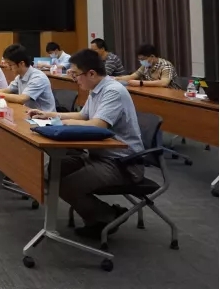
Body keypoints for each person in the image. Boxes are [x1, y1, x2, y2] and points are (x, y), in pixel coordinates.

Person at [27, 49, 144, 238]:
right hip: (97, 155)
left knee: (64, 185)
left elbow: (98, 125)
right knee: (52, 172)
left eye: (76, 74)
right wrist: (50, 115)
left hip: (122, 162)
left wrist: (62, 124)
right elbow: (83, 116)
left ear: (91, 73)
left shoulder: (113, 91)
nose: (74, 79)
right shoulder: (96, 89)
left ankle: (108, 215)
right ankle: (99, 215)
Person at [0, 44, 56, 112]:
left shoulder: (38, 78)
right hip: (30, 114)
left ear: (21, 63)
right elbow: (7, 90)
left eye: (10, 64)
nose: (8, 67)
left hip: (45, 120)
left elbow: (22, 98)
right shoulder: (20, 76)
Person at [117, 43, 181, 89]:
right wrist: (116, 78)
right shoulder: (146, 66)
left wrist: (140, 83)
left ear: (152, 56)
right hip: (155, 92)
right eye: (139, 59)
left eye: (142, 59)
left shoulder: (165, 65)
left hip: (171, 94)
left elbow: (164, 83)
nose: (141, 61)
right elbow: (132, 76)